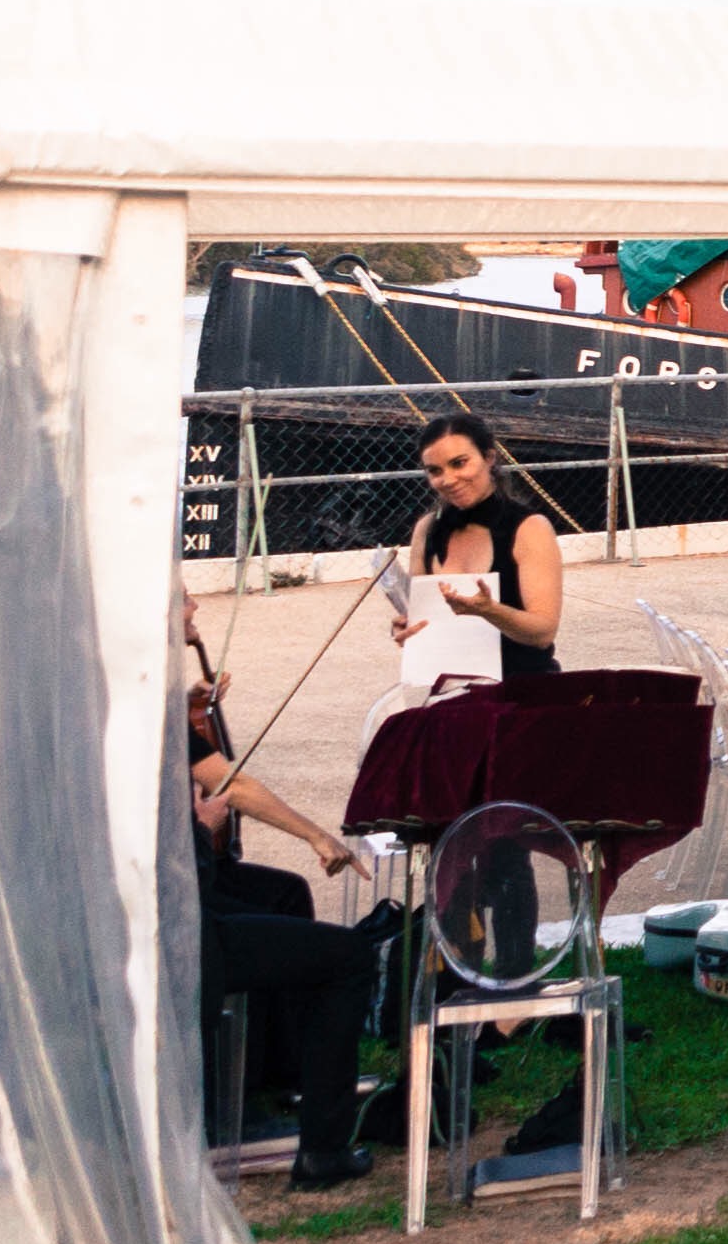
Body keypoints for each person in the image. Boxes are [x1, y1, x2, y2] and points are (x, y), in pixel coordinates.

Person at [182, 737, 379, 1191]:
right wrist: (202, 827)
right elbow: (233, 791)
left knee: (284, 899)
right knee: (350, 955)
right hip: (180, 930)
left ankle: (277, 1076)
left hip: (167, 914)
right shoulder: (149, 715)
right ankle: (323, 1151)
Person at [405, 412, 566, 689]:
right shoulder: (426, 529)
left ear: (489, 458)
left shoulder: (530, 529)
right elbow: (423, 618)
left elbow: (543, 632)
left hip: (523, 689)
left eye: (459, 463)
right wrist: (408, 631)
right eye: (435, 471)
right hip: (448, 689)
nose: (449, 479)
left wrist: (490, 611)